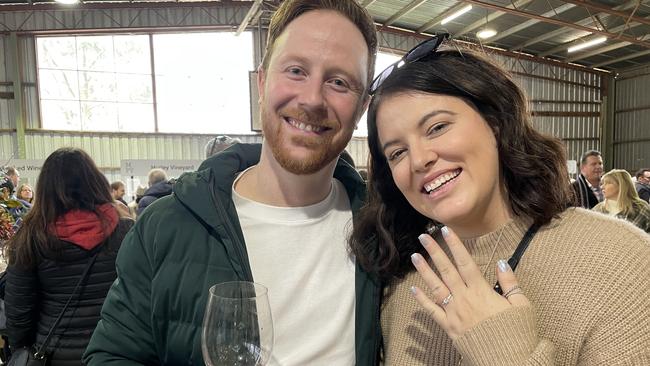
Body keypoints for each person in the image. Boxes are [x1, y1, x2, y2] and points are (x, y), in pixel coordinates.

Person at [84, 1, 381, 365]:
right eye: (296, 70)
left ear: (363, 107)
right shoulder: (166, 227)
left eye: (339, 82)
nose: (312, 99)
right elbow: (111, 356)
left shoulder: (382, 229)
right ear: (262, 81)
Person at [350, 36, 650, 365]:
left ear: (495, 122)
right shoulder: (404, 274)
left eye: (437, 127)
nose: (419, 159)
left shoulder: (622, 261)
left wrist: (504, 352)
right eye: (397, 153)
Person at [4, 147, 133, 365]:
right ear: (96, 182)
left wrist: (21, 351)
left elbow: (19, 311)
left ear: (45, 188)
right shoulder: (126, 230)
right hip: (118, 351)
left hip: (55, 353)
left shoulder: (31, 237)